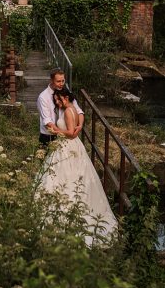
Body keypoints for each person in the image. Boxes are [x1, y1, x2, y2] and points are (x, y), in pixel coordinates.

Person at [39, 88, 118, 246]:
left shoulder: (68, 111)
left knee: (65, 175)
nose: (57, 102)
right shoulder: (72, 108)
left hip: (68, 144)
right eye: (55, 100)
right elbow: (76, 128)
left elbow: (71, 133)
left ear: (66, 98)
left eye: (58, 99)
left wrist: (55, 130)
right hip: (72, 145)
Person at [37, 69, 65, 146]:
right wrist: (61, 133)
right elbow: (47, 120)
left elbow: (78, 109)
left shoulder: (66, 93)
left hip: (64, 134)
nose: (61, 84)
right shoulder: (43, 97)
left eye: (63, 81)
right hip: (48, 135)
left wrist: (79, 126)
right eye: (58, 81)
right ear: (51, 81)